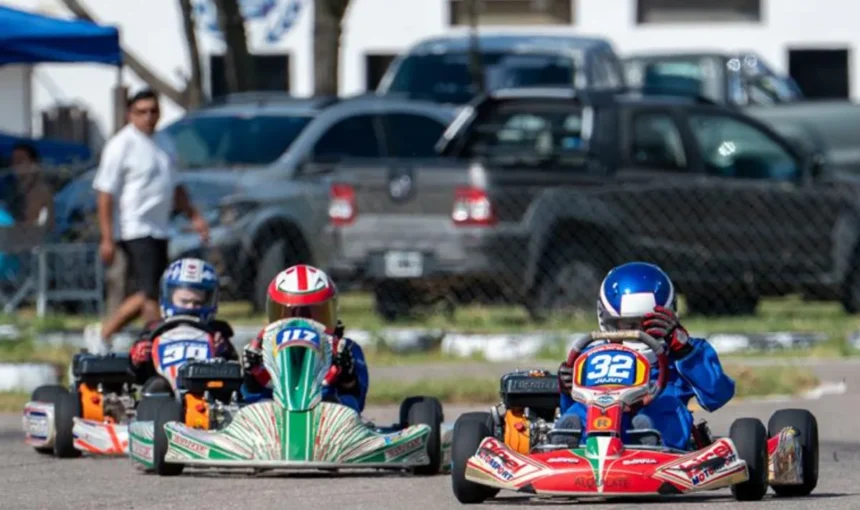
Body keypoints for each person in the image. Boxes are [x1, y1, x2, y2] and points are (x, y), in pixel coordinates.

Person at [554, 262, 736, 451]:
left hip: (663, 440)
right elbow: (571, 404)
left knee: (662, 408)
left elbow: (718, 394)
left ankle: (648, 442)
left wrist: (685, 352)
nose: (639, 333)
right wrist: (567, 390)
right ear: (609, 321)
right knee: (580, 411)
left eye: (648, 325)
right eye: (630, 325)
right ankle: (566, 443)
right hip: (599, 432)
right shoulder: (592, 356)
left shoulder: (684, 354)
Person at [86, 89, 209, 354]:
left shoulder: (164, 142)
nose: (148, 117)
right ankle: (143, 339)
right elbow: (105, 194)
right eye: (141, 112)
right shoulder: (121, 145)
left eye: (153, 111)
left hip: (160, 228)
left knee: (151, 293)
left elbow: (175, 185)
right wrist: (106, 237)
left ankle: (133, 336)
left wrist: (194, 216)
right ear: (130, 114)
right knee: (150, 293)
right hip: (133, 228)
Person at [240, 264, 369, 413]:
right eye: (291, 315)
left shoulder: (346, 349)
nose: (301, 324)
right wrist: (251, 377)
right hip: (274, 418)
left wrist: (347, 375)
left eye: (313, 314)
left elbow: (355, 404)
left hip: (327, 417)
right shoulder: (263, 349)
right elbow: (250, 401)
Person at [128, 258, 238, 386]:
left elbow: (235, 368)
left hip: (206, 389)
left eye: (198, 303)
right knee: (156, 385)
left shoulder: (217, 332)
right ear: (169, 297)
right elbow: (136, 375)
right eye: (185, 301)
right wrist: (137, 361)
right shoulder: (153, 331)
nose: (190, 307)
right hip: (163, 392)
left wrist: (223, 352)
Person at [8, 142, 54, 228]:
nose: (16, 163)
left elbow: (33, 222)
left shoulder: (40, 191)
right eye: (13, 160)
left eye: (20, 160)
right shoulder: (14, 189)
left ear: (32, 162)